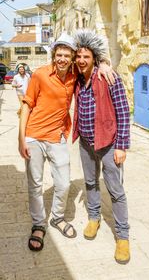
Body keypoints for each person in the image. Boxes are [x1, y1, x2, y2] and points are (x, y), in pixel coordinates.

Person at [18, 31, 113, 252]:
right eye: (58, 54)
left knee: (63, 183)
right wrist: (21, 138)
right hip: (33, 136)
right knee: (35, 184)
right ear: (54, 55)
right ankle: (38, 224)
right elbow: (26, 105)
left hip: (57, 136)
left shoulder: (74, 76)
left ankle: (57, 217)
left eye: (66, 55)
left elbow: (89, 62)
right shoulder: (40, 75)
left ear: (71, 58)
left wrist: (106, 63)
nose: (62, 59)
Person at [72, 29, 130, 264]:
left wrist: (121, 146)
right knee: (90, 182)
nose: (81, 60)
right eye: (79, 56)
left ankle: (123, 237)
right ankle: (94, 218)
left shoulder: (108, 76)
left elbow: (123, 112)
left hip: (108, 143)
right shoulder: (77, 79)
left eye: (86, 56)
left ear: (94, 58)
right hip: (85, 143)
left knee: (116, 190)